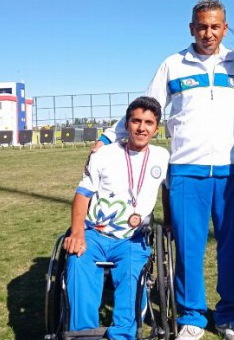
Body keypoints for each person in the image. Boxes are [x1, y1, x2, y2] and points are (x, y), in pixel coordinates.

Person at [95, 0, 234, 340]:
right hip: (185, 171)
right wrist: (107, 137)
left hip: (231, 172)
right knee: (188, 248)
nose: (208, 33)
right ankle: (192, 315)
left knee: (231, 247)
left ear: (225, 29)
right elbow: (146, 108)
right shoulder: (173, 64)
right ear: (191, 28)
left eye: (215, 26)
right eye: (202, 26)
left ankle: (229, 317)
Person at [64, 96, 170, 340]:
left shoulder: (162, 156)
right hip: (95, 234)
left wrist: (169, 221)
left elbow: (168, 190)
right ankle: (83, 335)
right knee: (78, 262)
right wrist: (77, 233)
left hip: (133, 238)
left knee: (134, 273)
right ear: (127, 124)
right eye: (136, 121)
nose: (141, 128)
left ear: (156, 128)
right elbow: (82, 194)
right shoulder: (105, 154)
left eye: (148, 123)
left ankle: (123, 335)